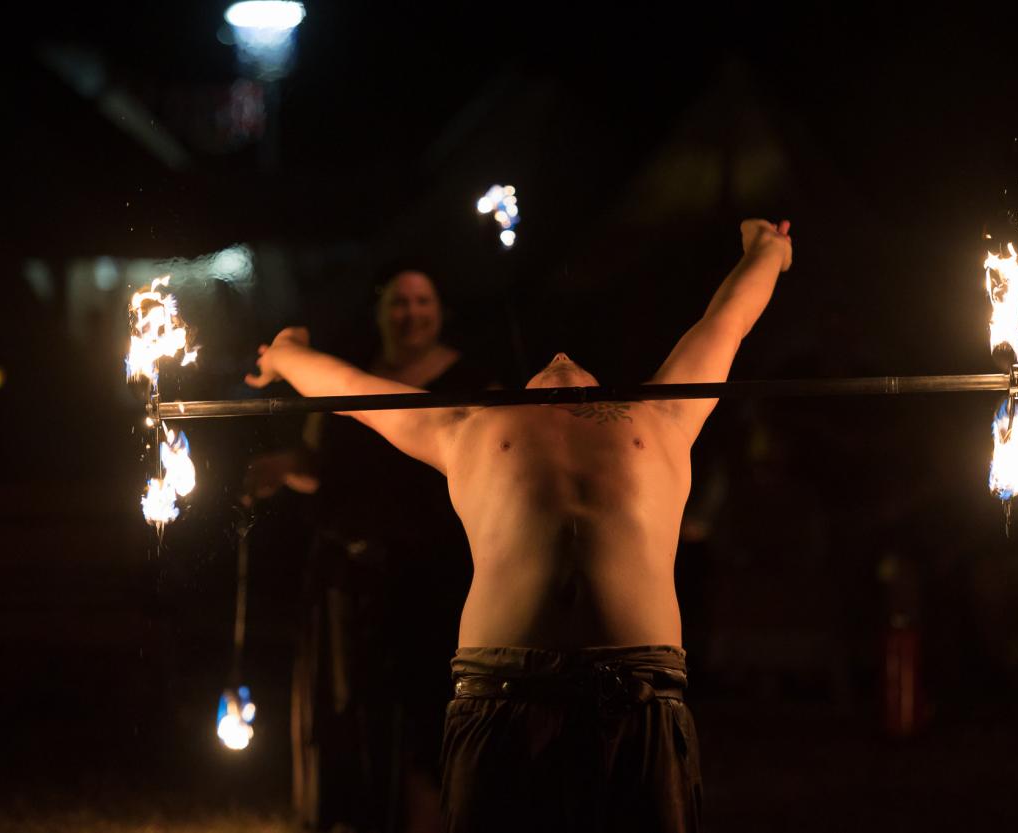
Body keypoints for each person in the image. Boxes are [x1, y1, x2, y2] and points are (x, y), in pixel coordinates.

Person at [246, 220, 793, 833]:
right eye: (548, 361)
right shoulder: (471, 428)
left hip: (638, 695)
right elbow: (353, 390)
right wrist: (287, 356)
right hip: (501, 693)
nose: (558, 356)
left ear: (597, 388)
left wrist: (768, 251)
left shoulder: (662, 414)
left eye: (571, 359)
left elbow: (725, 322)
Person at [245, 269, 495, 833]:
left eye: (423, 300)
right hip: (344, 578)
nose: (411, 313)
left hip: (431, 577)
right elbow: (321, 467)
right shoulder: (345, 382)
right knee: (350, 715)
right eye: (399, 302)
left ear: (441, 309)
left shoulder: (474, 382)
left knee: (422, 720)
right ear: (380, 310)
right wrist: (285, 470)